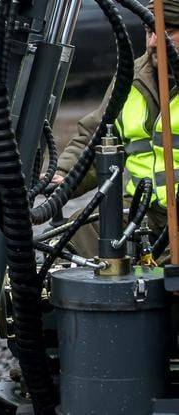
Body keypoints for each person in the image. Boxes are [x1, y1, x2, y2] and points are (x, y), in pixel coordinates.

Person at [54, 0, 179, 259]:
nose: (155, 42)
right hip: (143, 212)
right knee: (76, 232)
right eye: (149, 30)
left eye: (169, 31)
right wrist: (63, 177)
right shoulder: (132, 77)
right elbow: (95, 137)